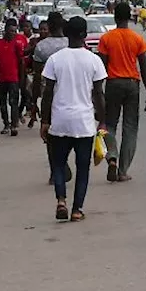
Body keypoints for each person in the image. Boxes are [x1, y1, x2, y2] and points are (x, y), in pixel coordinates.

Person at [41, 16, 108, 221]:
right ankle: (77, 209)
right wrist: (102, 120)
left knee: (59, 164)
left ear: (66, 34)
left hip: (60, 121)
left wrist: (45, 120)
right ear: (84, 35)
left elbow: (48, 93)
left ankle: (61, 200)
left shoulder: (55, 59)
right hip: (84, 123)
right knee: (82, 168)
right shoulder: (93, 60)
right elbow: (98, 94)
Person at [97, 2, 146, 183]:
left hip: (113, 83)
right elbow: (144, 69)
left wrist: (98, 91)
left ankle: (112, 156)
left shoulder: (106, 39)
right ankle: (122, 171)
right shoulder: (137, 39)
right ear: (129, 17)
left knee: (110, 124)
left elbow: (102, 67)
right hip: (132, 85)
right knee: (130, 128)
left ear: (115, 17)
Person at [33, 13, 72, 184]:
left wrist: (33, 101)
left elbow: (36, 77)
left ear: (48, 26)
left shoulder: (41, 47)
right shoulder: (72, 44)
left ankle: (55, 169)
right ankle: (64, 162)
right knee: (70, 133)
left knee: (49, 134)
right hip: (70, 95)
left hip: (49, 97)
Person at [0, 19, 28, 135]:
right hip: (1, 78)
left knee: (13, 102)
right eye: (11, 31)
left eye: (14, 31)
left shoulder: (16, 44)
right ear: (5, 30)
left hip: (13, 78)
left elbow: (21, 61)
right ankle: (6, 124)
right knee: (2, 102)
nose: (13, 33)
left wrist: (21, 77)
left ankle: (14, 125)